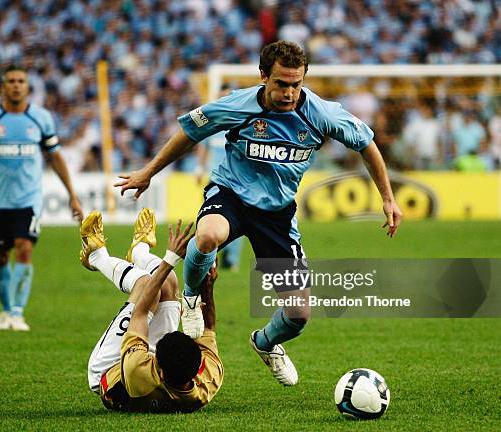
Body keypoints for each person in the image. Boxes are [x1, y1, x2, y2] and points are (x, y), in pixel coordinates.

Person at [116, 41, 402, 386]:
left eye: (296, 84)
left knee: (298, 315)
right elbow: (189, 133)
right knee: (207, 235)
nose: (289, 92)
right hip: (231, 195)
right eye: (281, 83)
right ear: (264, 76)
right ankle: (190, 298)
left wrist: (387, 198)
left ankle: (265, 343)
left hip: (277, 215)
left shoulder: (321, 113)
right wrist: (148, 171)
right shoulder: (237, 105)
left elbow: (365, 144)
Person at [0, 65, 83, 331]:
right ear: (3, 86)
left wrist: (72, 195)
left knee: (24, 247)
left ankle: (17, 312)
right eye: (11, 81)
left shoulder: (41, 118)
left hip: (29, 199)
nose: (15, 85)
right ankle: (5, 310)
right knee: (1, 255)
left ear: (27, 87)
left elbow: (55, 156)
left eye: (21, 81)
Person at [81, 208, 223, 412]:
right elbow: (208, 328)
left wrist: (171, 258)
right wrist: (207, 288)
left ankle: (95, 256)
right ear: (196, 370)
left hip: (110, 368)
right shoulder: (206, 382)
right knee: (170, 284)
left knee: (144, 284)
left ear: (159, 369)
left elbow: (140, 312)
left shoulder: (138, 370)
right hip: (156, 367)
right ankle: (139, 251)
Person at [196, 84, 244, 272]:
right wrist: (199, 168)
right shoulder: (214, 123)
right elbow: (202, 146)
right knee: (211, 219)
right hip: (215, 180)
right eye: (222, 97)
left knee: (238, 221)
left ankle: (231, 260)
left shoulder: (240, 123)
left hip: (237, 181)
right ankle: (212, 256)